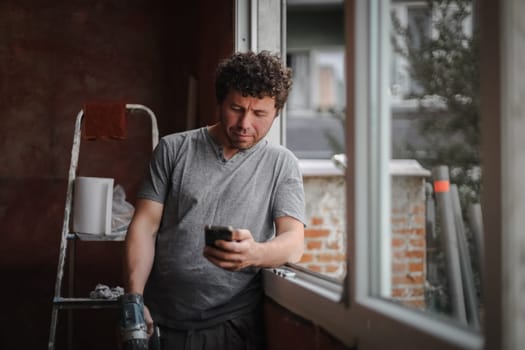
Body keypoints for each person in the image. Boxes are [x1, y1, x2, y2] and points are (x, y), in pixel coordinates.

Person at [124, 50, 305, 350]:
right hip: (159, 321)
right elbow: (144, 227)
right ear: (220, 101)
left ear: (276, 113)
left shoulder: (281, 164)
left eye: (259, 114)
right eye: (236, 108)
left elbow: (294, 242)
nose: (245, 123)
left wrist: (254, 254)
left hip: (232, 327)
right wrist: (134, 298)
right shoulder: (173, 149)